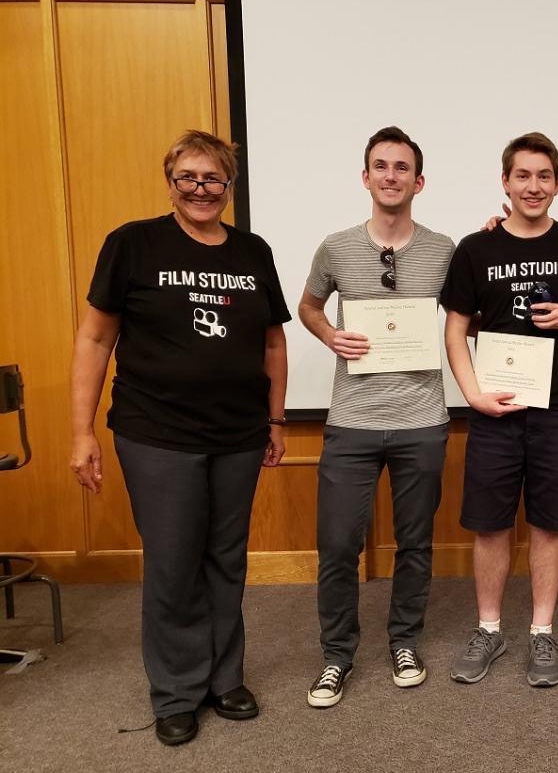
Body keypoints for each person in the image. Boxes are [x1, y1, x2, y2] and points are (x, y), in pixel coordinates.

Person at [69, 130, 290, 746]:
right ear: (170, 182)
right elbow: (94, 340)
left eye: (213, 179)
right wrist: (80, 431)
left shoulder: (253, 252)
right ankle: (176, 692)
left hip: (239, 436)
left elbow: (273, 342)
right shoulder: (133, 244)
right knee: (173, 564)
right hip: (155, 433)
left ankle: (225, 679)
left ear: (229, 187)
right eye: (187, 178)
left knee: (226, 559)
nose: (200, 189)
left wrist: (274, 421)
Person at [442, 132, 558, 687]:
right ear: (506, 183)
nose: (533, 186)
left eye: (544, 177)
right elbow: (455, 330)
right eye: (523, 176)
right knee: (489, 525)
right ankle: (490, 628)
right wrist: (471, 395)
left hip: (557, 410)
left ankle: (542, 631)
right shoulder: (476, 248)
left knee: (548, 523)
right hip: (493, 409)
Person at [299, 127, 454, 707]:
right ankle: (337, 656)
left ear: (419, 181)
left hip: (422, 422)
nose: (391, 176)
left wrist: (494, 236)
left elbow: (469, 311)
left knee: (415, 543)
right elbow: (309, 306)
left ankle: (404, 641)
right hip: (352, 423)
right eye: (380, 166)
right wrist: (330, 334)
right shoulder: (336, 247)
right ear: (366, 177)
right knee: (338, 545)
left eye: (402, 167)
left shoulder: (444, 250)